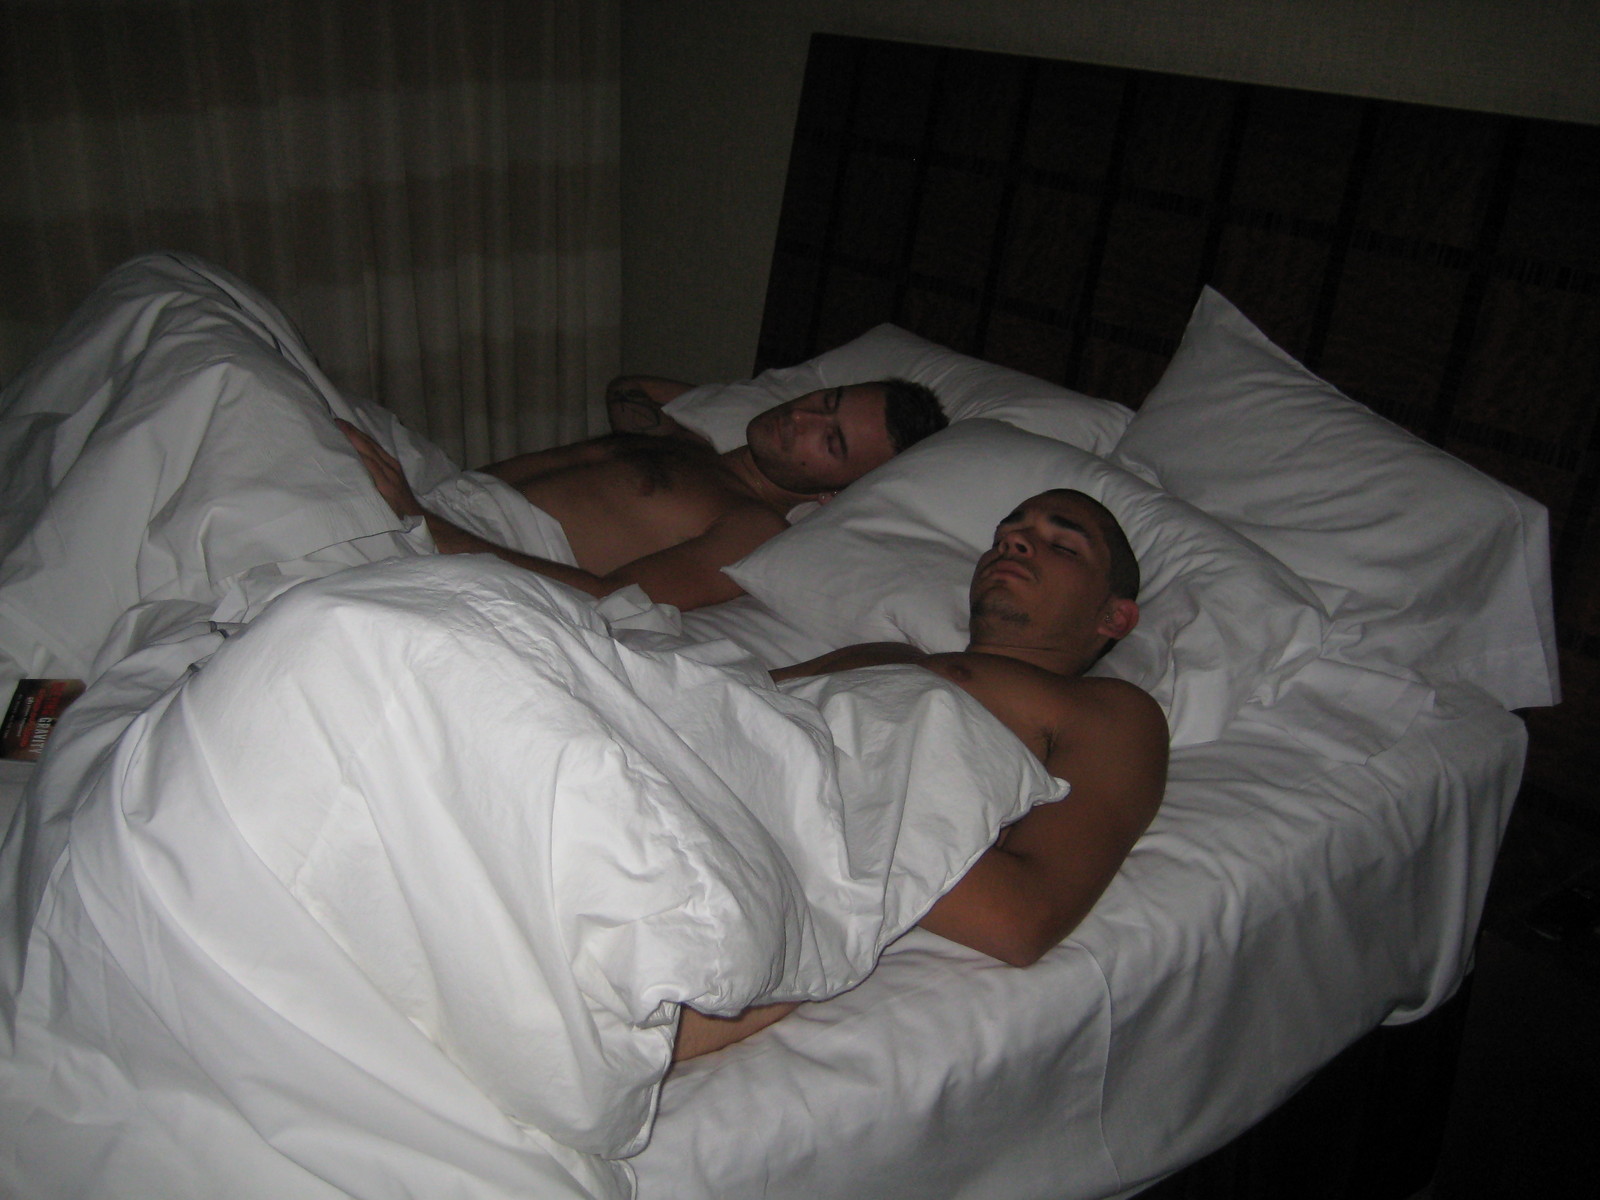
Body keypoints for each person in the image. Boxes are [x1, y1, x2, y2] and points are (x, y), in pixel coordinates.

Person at [675, 488, 1170, 1059]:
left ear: (1114, 616)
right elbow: (715, 707)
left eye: (1061, 545)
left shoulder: (1109, 711)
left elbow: (1020, 918)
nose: (1013, 542)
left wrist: (823, 811)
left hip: (756, 851)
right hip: (687, 780)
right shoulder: (877, 655)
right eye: (1007, 534)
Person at [338, 374, 945, 611]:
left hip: (451, 547)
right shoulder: (683, 442)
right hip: (434, 497)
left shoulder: (752, 527)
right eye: (825, 400)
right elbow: (628, 388)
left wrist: (436, 531)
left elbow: (614, 600)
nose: (801, 417)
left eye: (830, 441)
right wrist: (726, 402)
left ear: (833, 495)